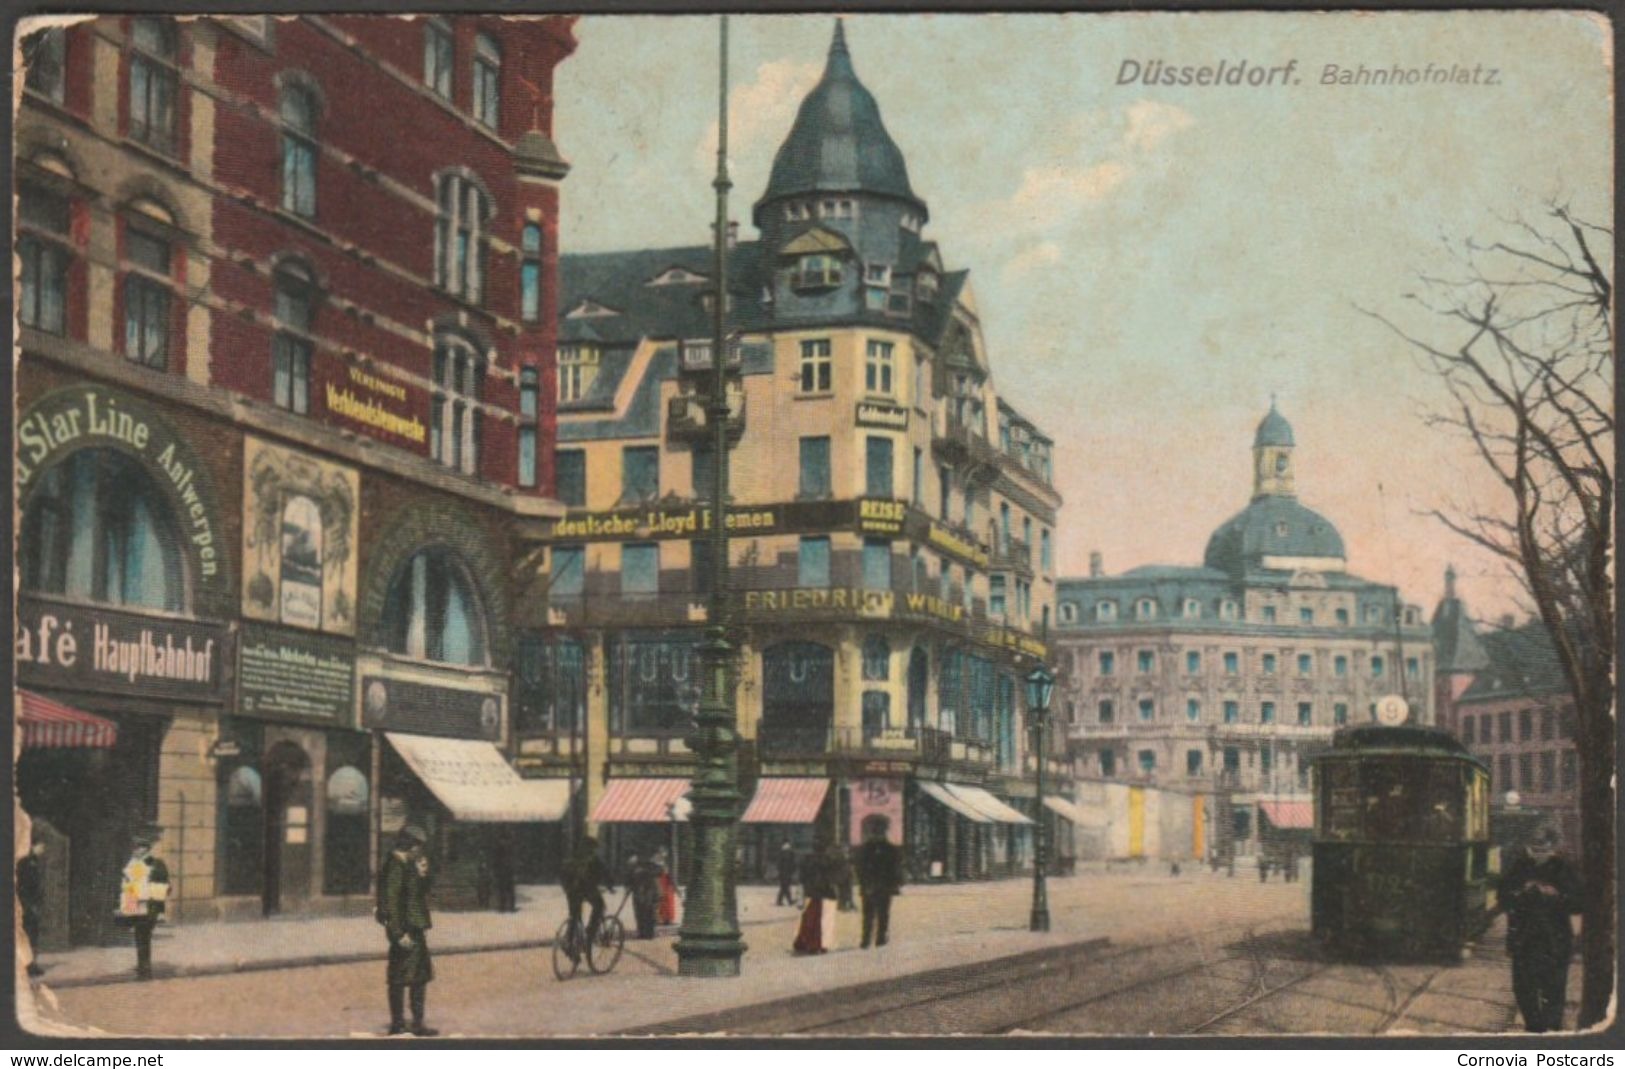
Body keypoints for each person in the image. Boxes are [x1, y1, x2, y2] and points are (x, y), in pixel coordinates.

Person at [1499, 830, 1583, 1033]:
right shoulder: (1519, 867)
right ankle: (1534, 1028)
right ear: (1528, 848)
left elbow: (1579, 903)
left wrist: (1555, 894)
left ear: (1552, 849)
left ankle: (1551, 1033)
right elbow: (1502, 898)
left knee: (1554, 990)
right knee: (1523, 989)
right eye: (1534, 849)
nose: (1538, 854)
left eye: (1543, 850)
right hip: (1524, 940)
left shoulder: (1563, 868)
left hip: (1555, 941)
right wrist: (1521, 893)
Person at [378, 825, 436, 1036]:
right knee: (399, 978)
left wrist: (422, 874)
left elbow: (421, 892)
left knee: (419, 977)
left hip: (416, 927)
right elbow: (391, 903)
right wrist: (397, 934)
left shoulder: (409, 864)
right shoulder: (395, 866)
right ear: (408, 845)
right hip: (404, 930)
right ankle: (398, 1024)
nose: (419, 851)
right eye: (417, 847)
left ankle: (417, 1023)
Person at [116, 827, 169, 981]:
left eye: (138, 848)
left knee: (143, 937)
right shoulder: (133, 864)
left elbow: (161, 887)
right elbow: (129, 886)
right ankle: (143, 966)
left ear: (145, 849)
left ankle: (145, 969)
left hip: (149, 907)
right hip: (136, 906)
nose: (134, 850)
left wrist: (159, 912)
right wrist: (128, 908)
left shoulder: (154, 863)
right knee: (139, 938)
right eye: (134, 848)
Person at [856, 820, 904, 950]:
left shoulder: (864, 849)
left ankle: (867, 939)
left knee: (869, 913)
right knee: (881, 913)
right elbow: (897, 869)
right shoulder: (892, 849)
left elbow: (859, 869)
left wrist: (864, 883)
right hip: (883, 886)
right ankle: (879, 938)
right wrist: (897, 884)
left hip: (870, 886)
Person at [561, 836, 613, 942]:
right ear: (592, 848)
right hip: (587, 889)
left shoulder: (574, 857)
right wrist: (610, 886)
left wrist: (567, 888)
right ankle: (591, 931)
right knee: (600, 906)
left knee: (575, 917)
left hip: (571, 890)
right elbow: (605, 873)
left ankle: (569, 941)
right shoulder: (593, 858)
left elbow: (564, 874)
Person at [792, 841, 835, 954]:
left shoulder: (807, 859)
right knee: (820, 919)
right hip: (821, 892)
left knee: (808, 917)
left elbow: (802, 875)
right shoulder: (826, 860)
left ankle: (803, 941)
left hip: (809, 891)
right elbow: (830, 877)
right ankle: (814, 944)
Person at [17, 841, 46, 977]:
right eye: (41, 846)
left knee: (32, 934)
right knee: (28, 934)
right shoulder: (25, 862)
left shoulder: (33, 861)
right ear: (33, 846)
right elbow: (24, 885)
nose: (43, 850)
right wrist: (28, 905)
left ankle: (31, 964)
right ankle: (28, 965)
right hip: (26, 904)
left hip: (31, 903)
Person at [627, 853, 660, 940]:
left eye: (631, 859)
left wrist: (644, 871)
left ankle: (650, 933)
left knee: (649, 912)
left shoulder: (646, 865)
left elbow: (658, 871)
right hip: (637, 894)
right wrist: (629, 886)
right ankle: (641, 933)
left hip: (648, 893)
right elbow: (629, 880)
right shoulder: (632, 869)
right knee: (639, 913)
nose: (630, 862)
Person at [491, 826, 517, 913]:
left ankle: (502, 907)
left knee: (502, 888)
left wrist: (495, 868)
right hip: (509, 868)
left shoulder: (499, 844)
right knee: (510, 888)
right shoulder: (510, 844)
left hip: (502, 868)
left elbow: (495, 858)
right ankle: (511, 907)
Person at [653, 848, 680, 926]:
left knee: (668, 901)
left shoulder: (664, 861)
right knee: (662, 901)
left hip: (666, 882)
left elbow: (667, 872)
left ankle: (668, 919)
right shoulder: (657, 860)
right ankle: (663, 919)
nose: (664, 854)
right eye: (662, 852)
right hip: (661, 881)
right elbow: (659, 872)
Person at [835, 845, 856, 912]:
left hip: (848, 876)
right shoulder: (839, 857)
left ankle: (850, 904)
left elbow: (851, 866)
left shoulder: (849, 856)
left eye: (847, 849)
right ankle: (841, 905)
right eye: (844, 849)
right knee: (842, 892)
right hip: (841, 876)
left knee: (849, 891)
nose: (846, 850)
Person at [776, 840, 797, 906]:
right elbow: (792, 864)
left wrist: (780, 871)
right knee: (785, 887)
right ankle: (788, 901)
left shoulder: (781, 853)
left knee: (784, 887)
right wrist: (792, 870)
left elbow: (778, 865)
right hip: (787, 873)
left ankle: (782, 901)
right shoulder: (790, 853)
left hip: (782, 873)